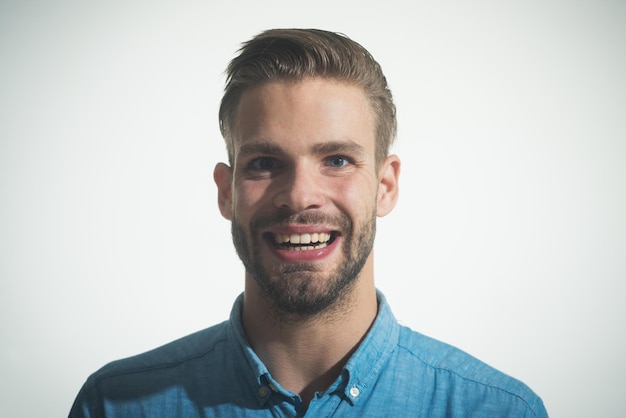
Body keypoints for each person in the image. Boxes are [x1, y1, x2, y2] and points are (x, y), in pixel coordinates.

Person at [69, 28, 548, 417]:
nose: (299, 196)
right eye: (263, 163)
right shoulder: (116, 405)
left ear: (385, 186)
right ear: (226, 190)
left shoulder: (496, 410)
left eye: (337, 160)